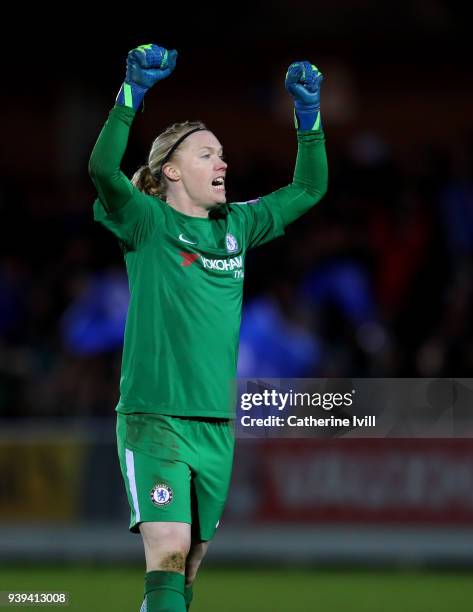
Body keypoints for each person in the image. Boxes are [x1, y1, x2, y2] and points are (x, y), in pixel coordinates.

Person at [88, 43, 328, 612]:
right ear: (170, 169)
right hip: (155, 417)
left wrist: (309, 117)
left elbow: (309, 189)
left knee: (187, 568)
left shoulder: (237, 226)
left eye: (222, 154)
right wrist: (131, 95)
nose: (222, 163)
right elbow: (101, 168)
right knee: (167, 551)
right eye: (205, 154)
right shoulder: (145, 221)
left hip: (215, 424)